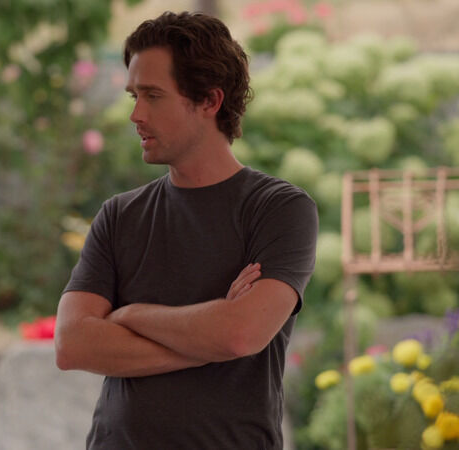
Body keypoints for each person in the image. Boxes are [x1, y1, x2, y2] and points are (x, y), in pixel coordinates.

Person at [54, 12, 318, 449]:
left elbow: (241, 334)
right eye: (134, 95)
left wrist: (130, 315)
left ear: (210, 100)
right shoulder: (118, 215)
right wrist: (209, 340)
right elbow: (72, 345)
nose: (136, 114)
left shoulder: (280, 209)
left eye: (153, 96)